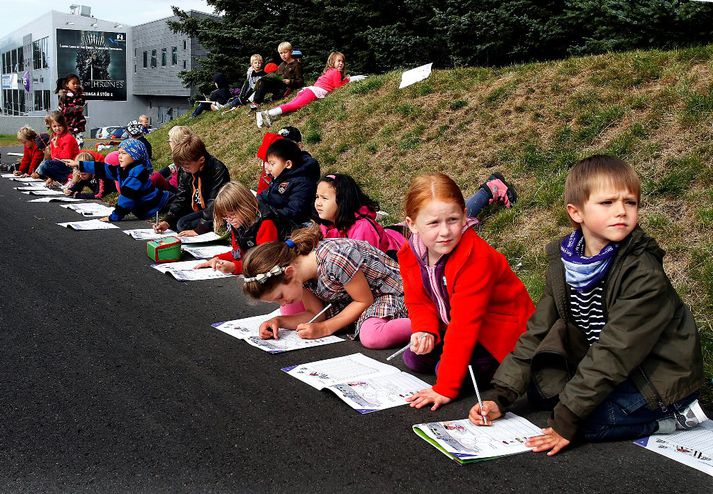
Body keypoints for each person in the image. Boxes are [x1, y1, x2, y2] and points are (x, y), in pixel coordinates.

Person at [468, 155, 706, 455]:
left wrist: (568, 420)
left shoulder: (643, 272)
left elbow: (614, 352)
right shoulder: (566, 261)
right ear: (576, 212)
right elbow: (537, 332)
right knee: (544, 396)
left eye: (630, 202)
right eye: (607, 203)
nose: (621, 211)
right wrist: (500, 396)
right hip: (613, 366)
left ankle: (674, 419)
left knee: (585, 423)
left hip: (658, 376)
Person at [398, 173, 535, 411]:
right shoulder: (409, 253)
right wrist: (424, 329)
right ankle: (453, 361)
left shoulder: (475, 257)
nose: (445, 232)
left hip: (499, 334)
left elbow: (464, 325)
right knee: (414, 357)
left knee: (445, 373)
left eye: (453, 219)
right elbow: (417, 299)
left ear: (464, 215)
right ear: (412, 225)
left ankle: (504, 367)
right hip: (457, 327)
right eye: (433, 223)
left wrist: (445, 388)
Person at [242, 225, 412, 349]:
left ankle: (429, 324)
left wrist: (324, 328)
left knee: (372, 336)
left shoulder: (335, 259)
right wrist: (278, 321)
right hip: (350, 298)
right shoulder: (301, 273)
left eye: (280, 296)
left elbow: (363, 301)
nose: (282, 303)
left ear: (289, 273)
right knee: (291, 312)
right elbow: (315, 314)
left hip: (388, 293)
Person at [67, 139, 170, 222]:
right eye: (119, 153)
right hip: (151, 206)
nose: (119, 156)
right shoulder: (123, 170)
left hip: (162, 203)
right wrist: (79, 164)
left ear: (135, 155)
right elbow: (103, 168)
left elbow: (126, 198)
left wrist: (113, 217)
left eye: (124, 153)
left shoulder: (136, 173)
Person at [195, 181, 282, 275]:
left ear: (245, 206)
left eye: (232, 215)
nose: (229, 220)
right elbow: (238, 252)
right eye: (225, 217)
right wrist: (217, 259)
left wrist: (235, 267)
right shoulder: (239, 222)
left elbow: (266, 261)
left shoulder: (265, 223)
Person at [154, 133, 230, 236]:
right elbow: (181, 197)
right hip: (197, 209)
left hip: (214, 212)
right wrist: (167, 220)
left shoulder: (217, 170)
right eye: (181, 166)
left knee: (182, 224)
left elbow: (213, 204)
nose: (184, 169)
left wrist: (199, 230)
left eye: (186, 165)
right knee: (176, 222)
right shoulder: (185, 170)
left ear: (201, 160)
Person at [315, 173, 405, 258]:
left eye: (324, 198)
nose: (318, 203)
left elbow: (369, 265)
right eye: (317, 197)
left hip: (396, 255)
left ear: (343, 201)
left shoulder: (363, 228)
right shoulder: (326, 226)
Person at [257, 51, 348, 128]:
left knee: (291, 104)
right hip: (313, 92)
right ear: (332, 62)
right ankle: (266, 113)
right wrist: (348, 80)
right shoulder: (336, 72)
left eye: (342, 61)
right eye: (338, 61)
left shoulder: (329, 71)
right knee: (294, 106)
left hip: (309, 90)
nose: (341, 63)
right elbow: (338, 87)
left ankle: (264, 115)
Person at [257, 138, 319, 230]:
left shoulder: (302, 183)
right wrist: (256, 201)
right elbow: (269, 194)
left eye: (272, 164)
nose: (268, 168)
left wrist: (272, 214)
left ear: (288, 164)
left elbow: (295, 211)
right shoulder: (281, 176)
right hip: (279, 218)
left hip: (299, 227)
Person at [251, 42, 303, 109]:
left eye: (285, 52)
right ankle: (256, 102)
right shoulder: (281, 65)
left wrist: (290, 81)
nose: (283, 55)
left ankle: (279, 95)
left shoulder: (296, 65)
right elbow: (277, 77)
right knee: (264, 80)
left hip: (287, 86)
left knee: (279, 94)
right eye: (281, 53)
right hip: (279, 85)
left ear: (291, 52)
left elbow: (300, 81)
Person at [34, 111, 79, 186]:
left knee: (46, 164)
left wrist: (56, 147)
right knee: (46, 164)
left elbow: (66, 158)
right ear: (51, 127)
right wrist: (51, 177)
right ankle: (56, 179)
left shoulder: (68, 138)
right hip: (62, 164)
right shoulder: (55, 137)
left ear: (64, 125)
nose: (57, 128)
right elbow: (54, 157)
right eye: (54, 126)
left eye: (59, 125)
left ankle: (65, 179)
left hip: (71, 166)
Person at [151, 125, 194, 194]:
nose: (169, 143)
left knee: (155, 177)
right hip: (175, 180)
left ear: (176, 142)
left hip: (176, 189)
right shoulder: (190, 152)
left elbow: (183, 189)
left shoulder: (183, 158)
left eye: (170, 141)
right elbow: (174, 166)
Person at [55, 74, 86, 148]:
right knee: (68, 143)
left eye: (77, 83)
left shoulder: (79, 95)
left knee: (80, 143)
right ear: (67, 84)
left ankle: (77, 157)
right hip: (67, 124)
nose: (76, 85)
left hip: (78, 124)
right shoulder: (64, 96)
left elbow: (82, 104)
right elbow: (63, 110)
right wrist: (76, 109)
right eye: (73, 83)